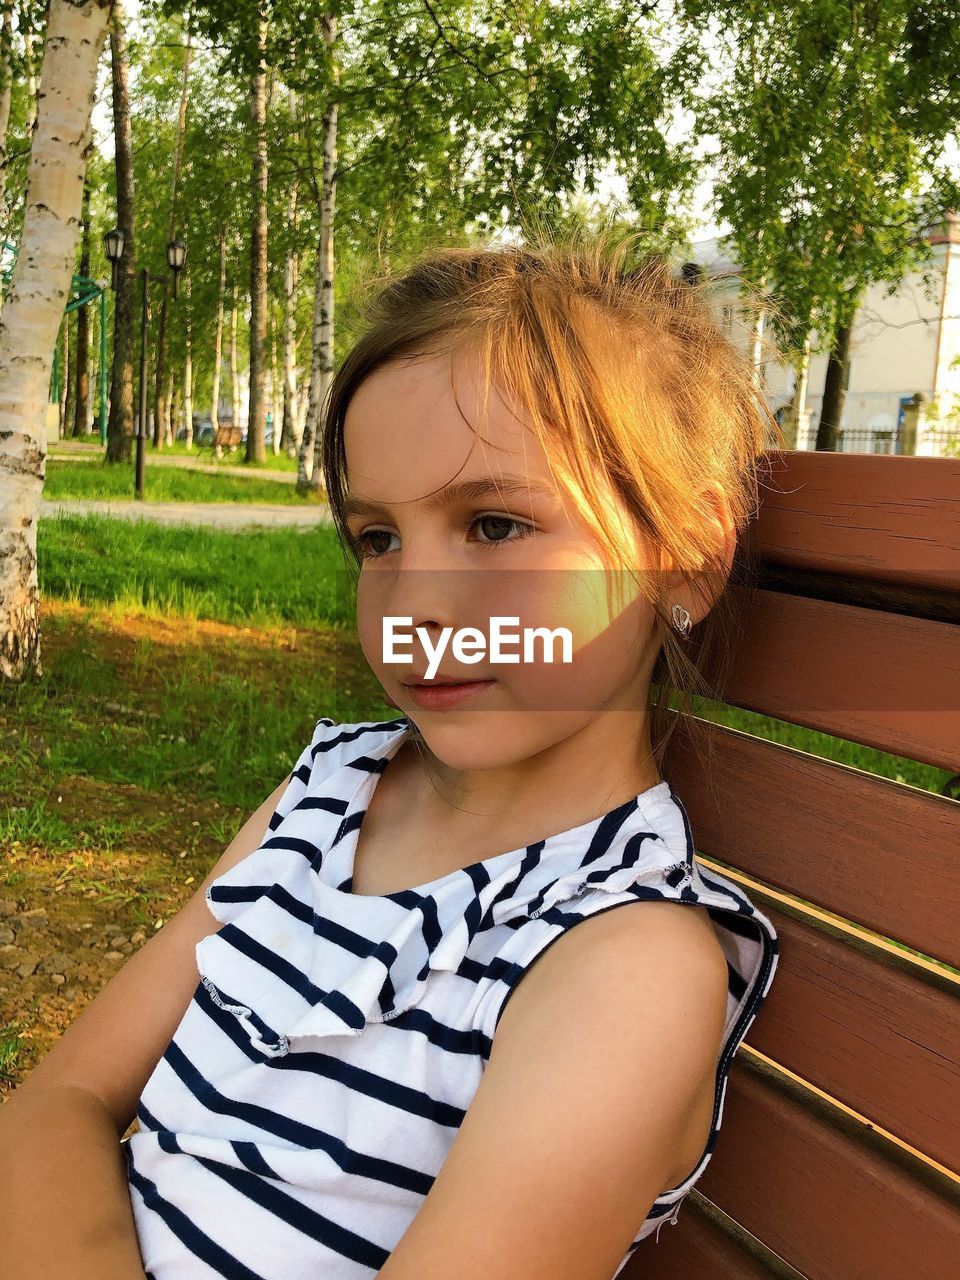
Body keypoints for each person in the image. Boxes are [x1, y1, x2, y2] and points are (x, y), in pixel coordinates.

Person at [0, 228, 782, 1280]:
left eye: (496, 524)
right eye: (378, 538)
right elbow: (63, 1097)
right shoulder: (329, 790)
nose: (416, 602)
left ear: (687, 555)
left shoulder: (620, 964)